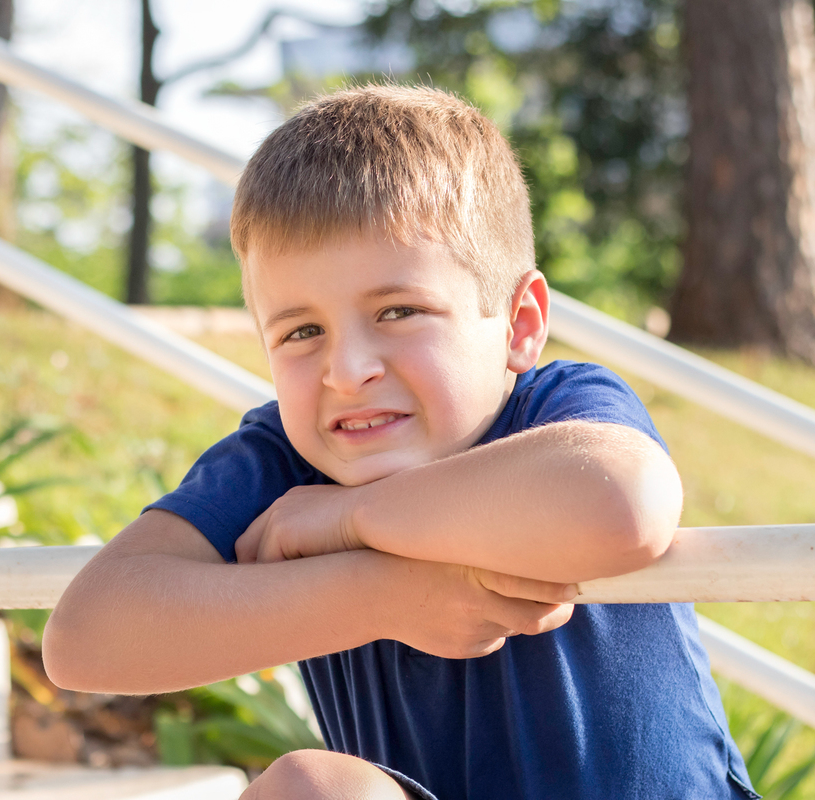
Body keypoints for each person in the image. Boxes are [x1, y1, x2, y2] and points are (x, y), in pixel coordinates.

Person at [42, 85, 755, 800]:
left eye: (399, 311)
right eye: (300, 331)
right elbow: (84, 638)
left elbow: (624, 502)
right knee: (310, 790)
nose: (348, 372)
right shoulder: (284, 459)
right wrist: (388, 594)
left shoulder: (555, 413)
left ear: (520, 324)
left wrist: (348, 520)